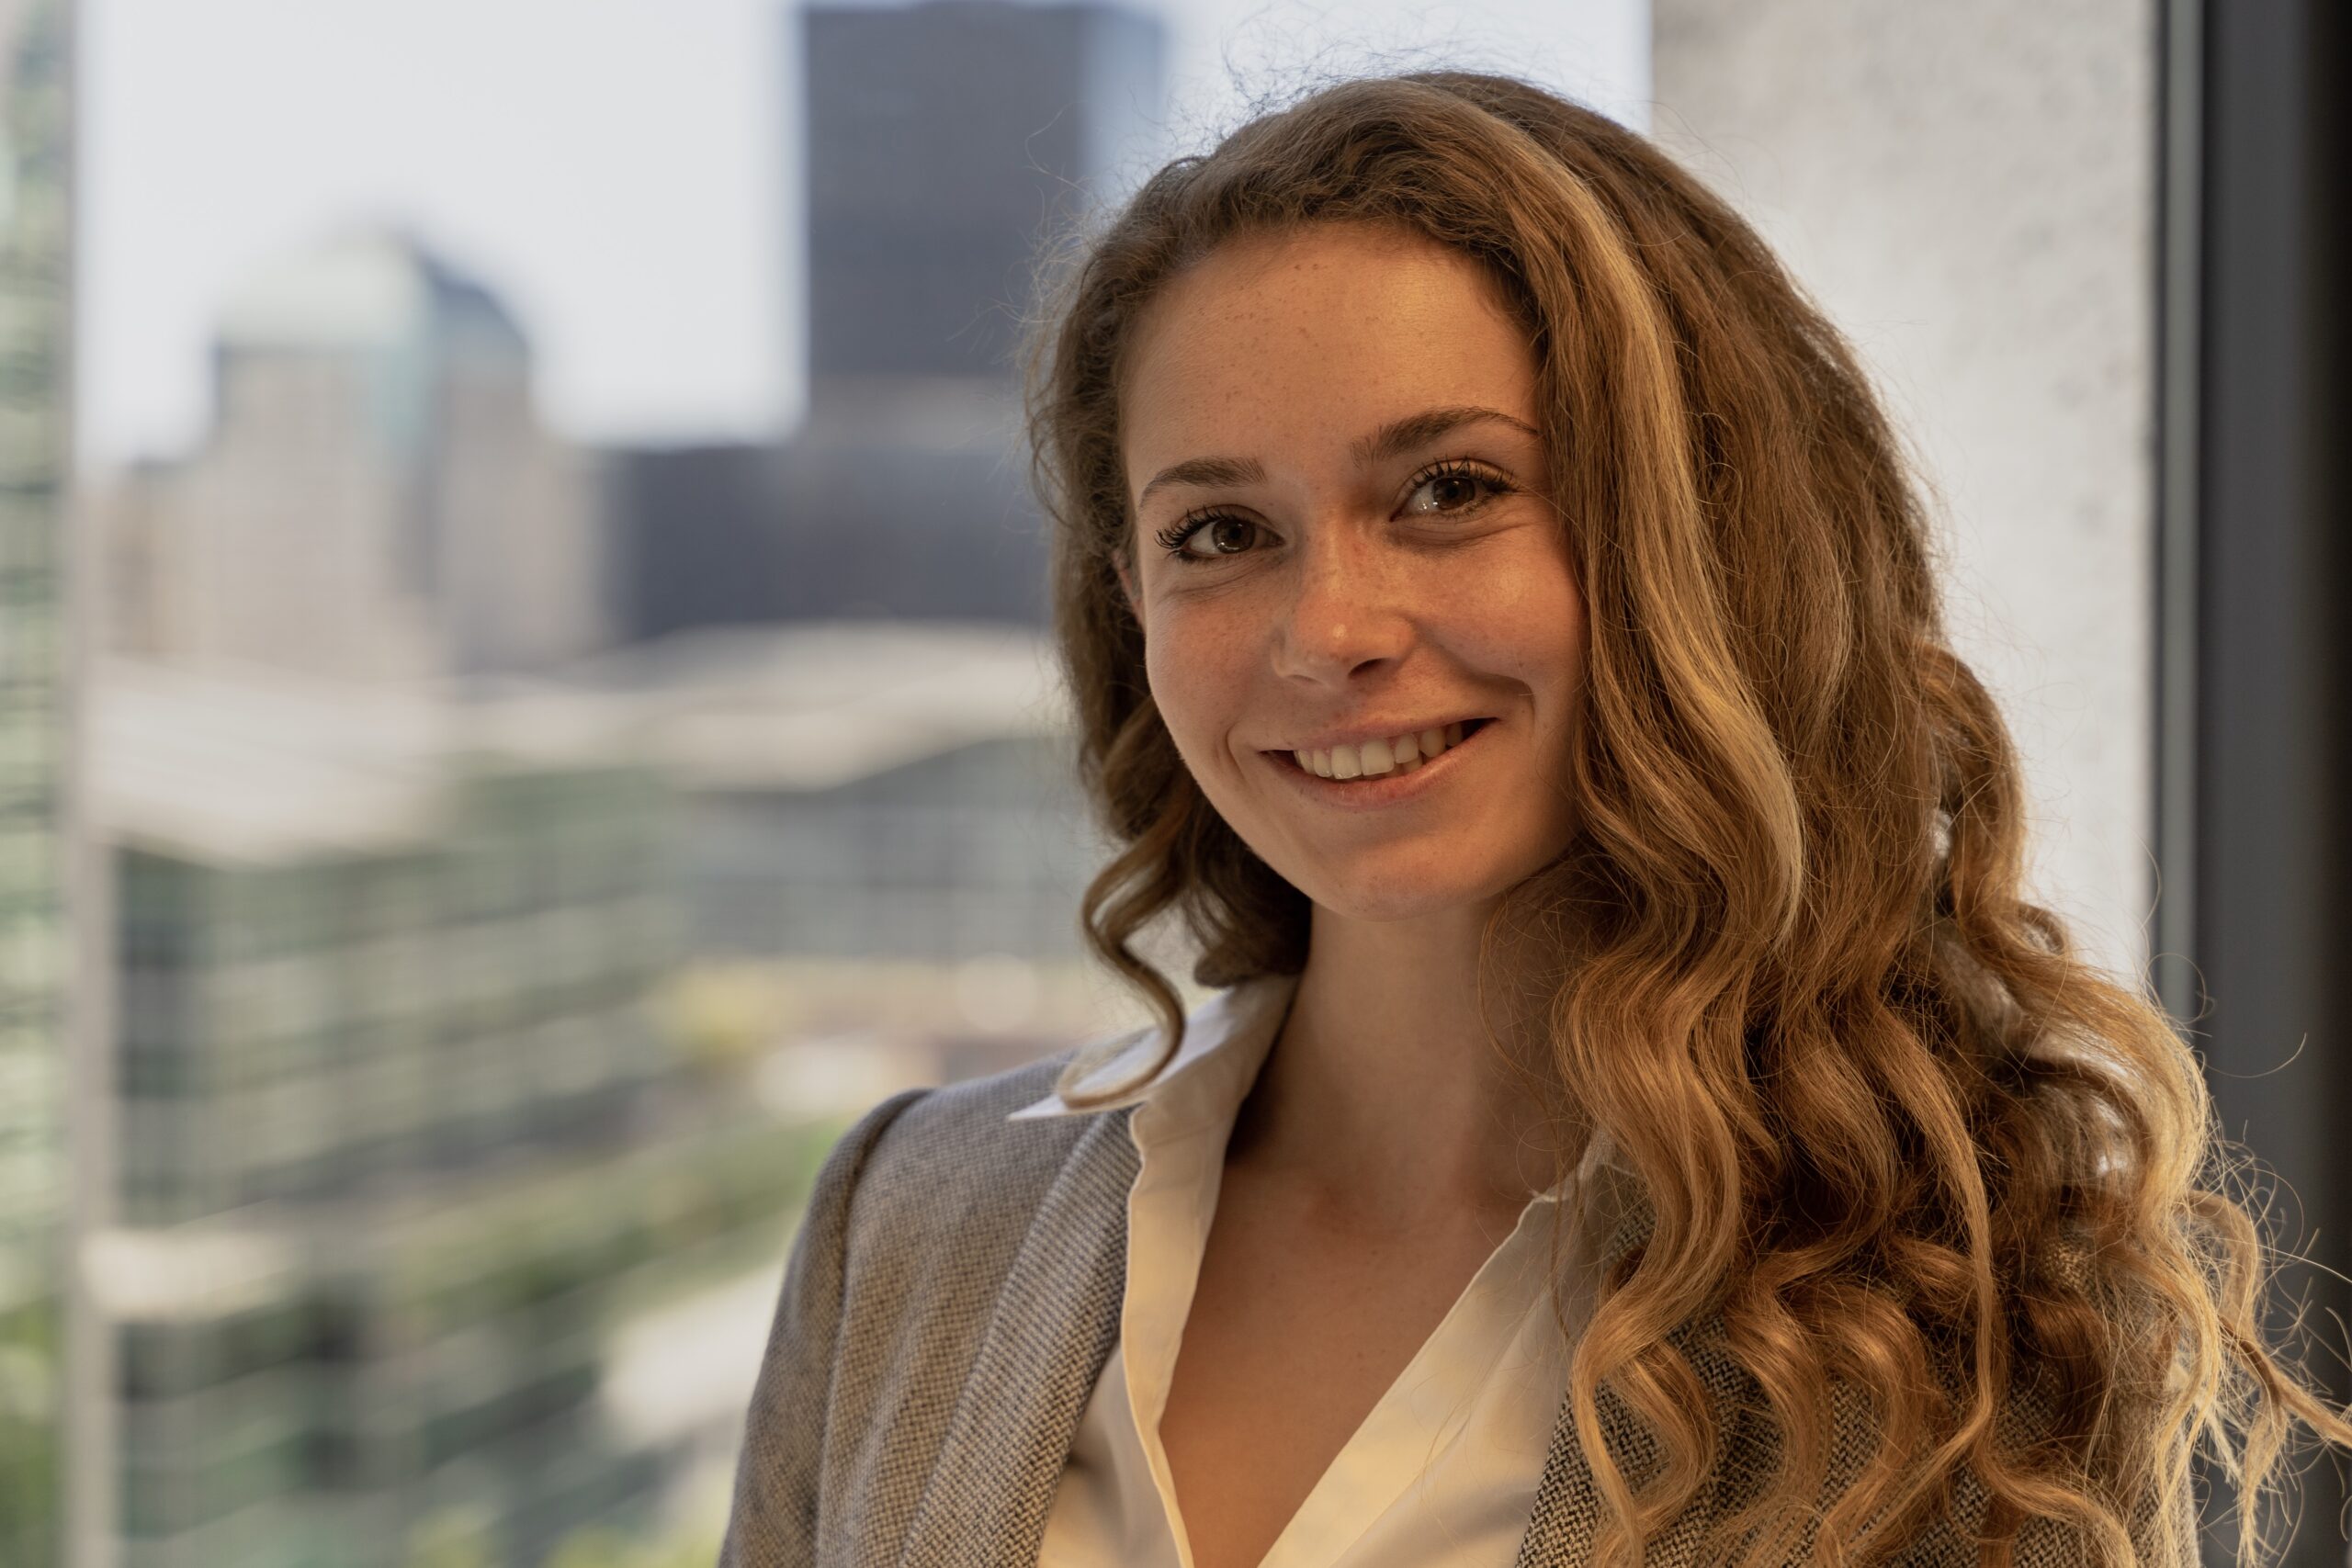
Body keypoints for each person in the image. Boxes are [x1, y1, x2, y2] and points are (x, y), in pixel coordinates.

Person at [718, 72, 2352, 1568]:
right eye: (1219, 531)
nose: (1327, 631)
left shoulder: (1951, 1326)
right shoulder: (909, 1222)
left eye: (1450, 491)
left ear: (1697, 540)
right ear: (1127, 596)